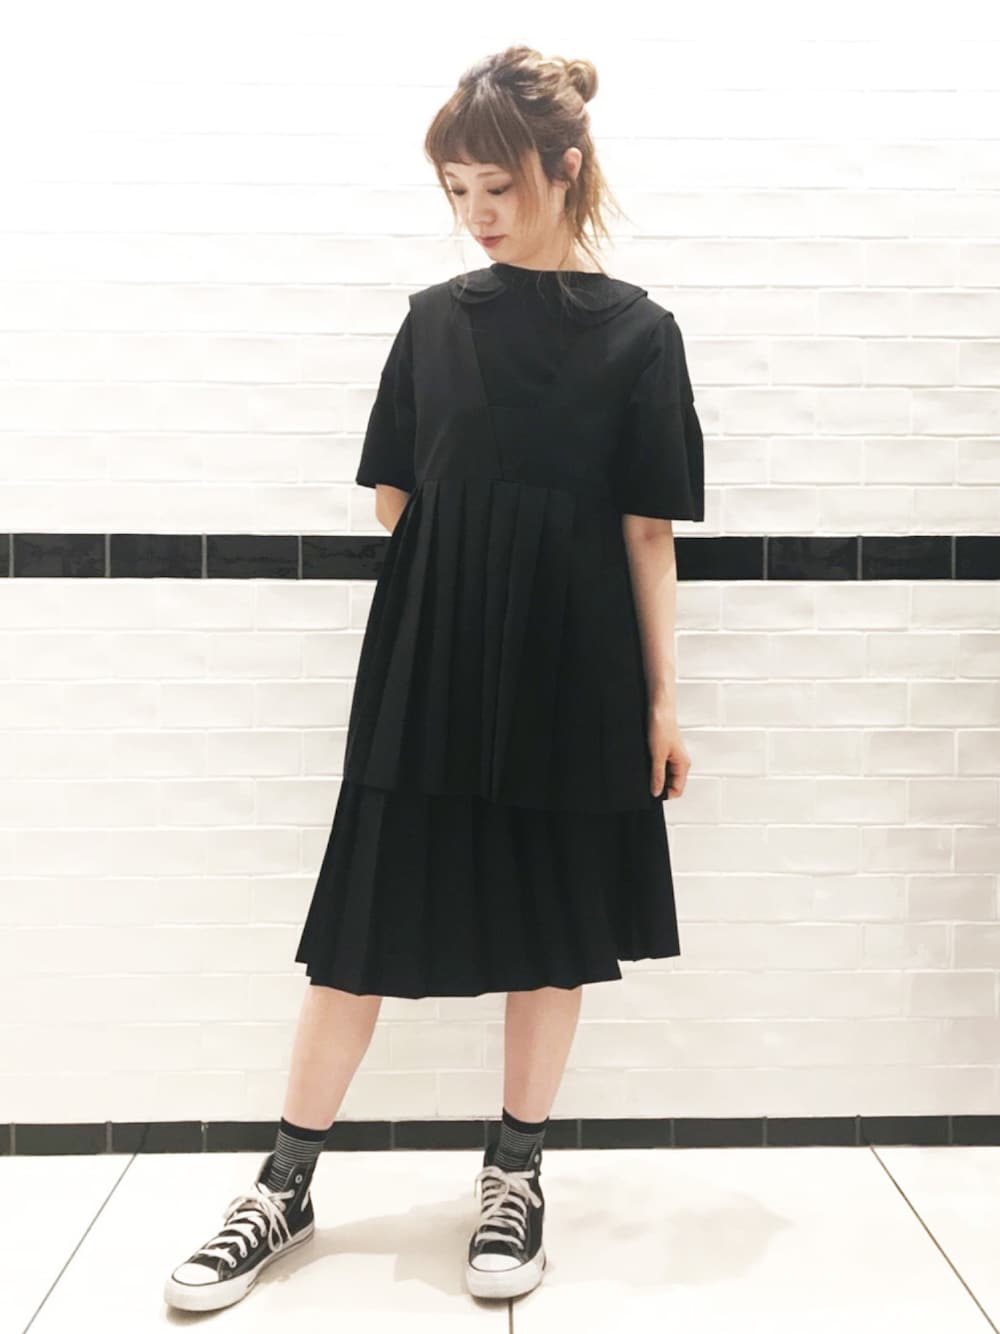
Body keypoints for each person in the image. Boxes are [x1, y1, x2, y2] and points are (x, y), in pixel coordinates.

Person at [164, 43, 705, 1313]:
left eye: (497, 187)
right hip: (431, 655)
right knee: (358, 929)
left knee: (552, 930)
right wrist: (469, 589)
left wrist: (662, 702)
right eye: (458, 190)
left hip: (575, 661)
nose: (478, 213)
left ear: (563, 168)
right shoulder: (430, 320)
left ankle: (513, 1174)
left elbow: (647, 531)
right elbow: (392, 497)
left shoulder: (643, 334)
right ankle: (283, 1183)